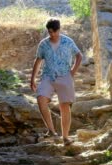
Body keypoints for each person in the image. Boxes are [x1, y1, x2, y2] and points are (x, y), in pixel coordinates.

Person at [30, 18, 83, 146]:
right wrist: (32, 79)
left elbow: (79, 56)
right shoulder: (43, 44)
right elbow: (38, 61)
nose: (52, 34)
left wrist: (72, 72)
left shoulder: (68, 42)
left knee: (64, 107)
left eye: (54, 32)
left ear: (59, 30)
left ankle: (65, 138)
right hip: (48, 76)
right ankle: (52, 131)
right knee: (41, 99)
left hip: (65, 75)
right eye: (49, 32)